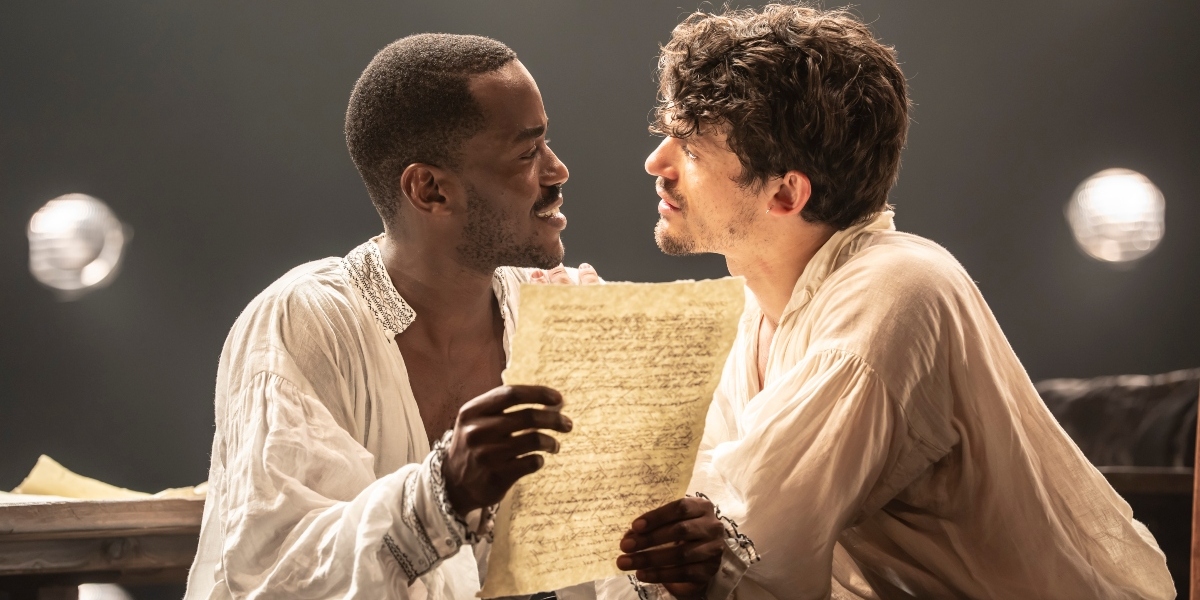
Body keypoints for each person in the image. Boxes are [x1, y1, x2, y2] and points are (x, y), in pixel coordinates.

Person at [636, 4, 1176, 599]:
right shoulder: (752, 309)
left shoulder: (892, 295)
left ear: (786, 192)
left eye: (689, 148)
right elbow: (694, 507)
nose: (656, 163)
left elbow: (757, 557)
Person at [184, 34, 724, 600]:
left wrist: (676, 559)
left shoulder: (570, 312)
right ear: (430, 189)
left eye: (548, 143)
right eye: (526, 153)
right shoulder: (307, 323)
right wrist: (441, 492)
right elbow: (273, 570)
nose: (558, 171)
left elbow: (613, 555)